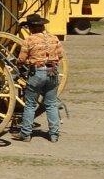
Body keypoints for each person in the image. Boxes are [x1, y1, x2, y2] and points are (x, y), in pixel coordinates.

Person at [11, 14, 64, 143]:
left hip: (37, 73)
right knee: (51, 104)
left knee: (30, 105)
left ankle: (25, 134)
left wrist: (18, 64)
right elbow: (60, 56)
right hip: (52, 72)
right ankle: (54, 135)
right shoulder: (54, 38)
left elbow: (21, 60)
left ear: (31, 28)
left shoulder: (29, 40)